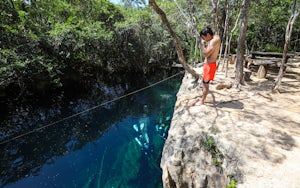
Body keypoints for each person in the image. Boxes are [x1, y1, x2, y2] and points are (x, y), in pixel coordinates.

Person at [195, 27, 221, 105]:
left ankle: (202, 101)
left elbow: (206, 54)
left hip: (210, 66)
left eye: (204, 37)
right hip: (210, 65)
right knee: (205, 83)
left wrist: (203, 45)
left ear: (208, 35)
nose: (204, 39)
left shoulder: (213, 41)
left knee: (205, 84)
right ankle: (203, 99)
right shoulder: (216, 37)